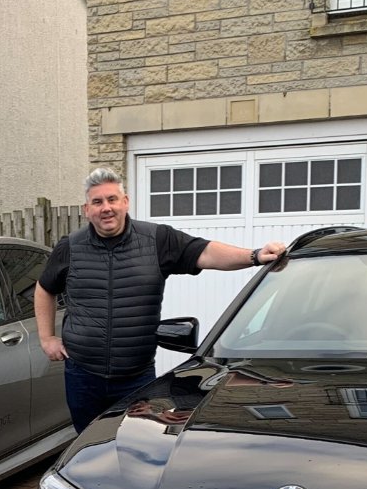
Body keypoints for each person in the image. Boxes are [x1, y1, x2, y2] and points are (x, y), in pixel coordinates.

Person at [34, 167, 287, 431]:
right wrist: (47, 338)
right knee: (87, 446)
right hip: (83, 375)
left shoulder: (157, 240)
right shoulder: (71, 247)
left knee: (137, 442)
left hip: (136, 378)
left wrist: (255, 255)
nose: (105, 208)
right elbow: (44, 288)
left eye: (111, 199)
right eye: (97, 202)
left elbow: (206, 252)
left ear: (125, 202)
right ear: (87, 209)